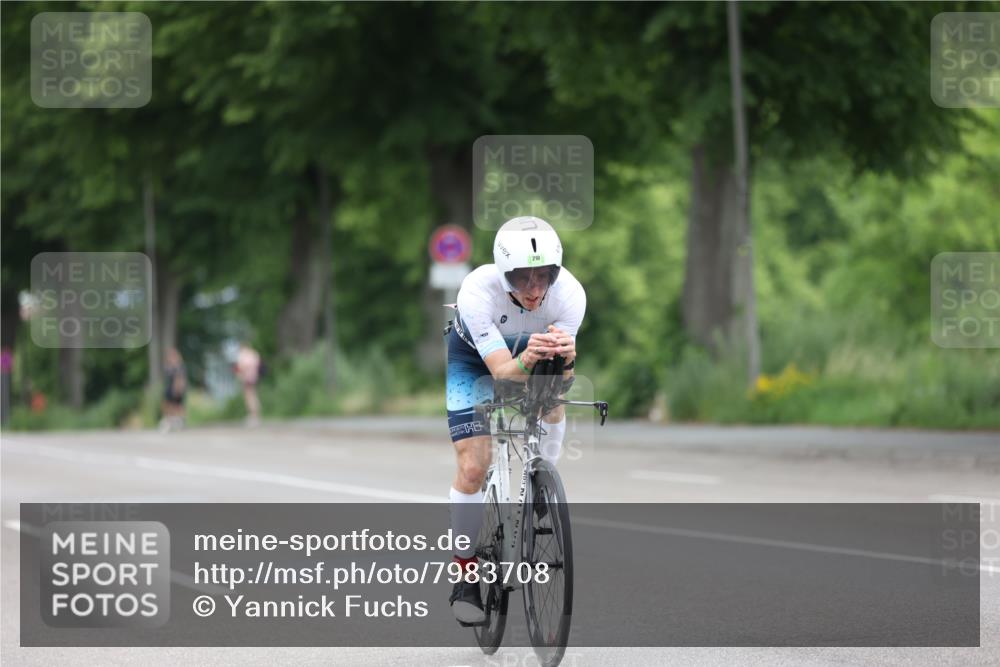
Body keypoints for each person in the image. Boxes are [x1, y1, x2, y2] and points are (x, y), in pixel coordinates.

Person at [444, 216, 585, 624]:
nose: (535, 288)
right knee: (473, 465)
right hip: (475, 363)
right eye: (523, 278)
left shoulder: (571, 295)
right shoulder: (476, 290)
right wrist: (529, 358)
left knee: (552, 398)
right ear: (505, 274)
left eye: (544, 276)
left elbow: (564, 379)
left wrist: (567, 360)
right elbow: (502, 373)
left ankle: (544, 479)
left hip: (528, 355)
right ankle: (466, 572)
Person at [234, 342, 262, 426]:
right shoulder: (254, 354)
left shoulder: (244, 355)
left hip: (247, 378)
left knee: (249, 397)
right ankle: (255, 415)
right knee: (253, 395)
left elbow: (241, 366)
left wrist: (240, 372)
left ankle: (253, 416)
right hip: (253, 377)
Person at [160, 348, 187, 432]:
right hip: (169, 388)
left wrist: (179, 389)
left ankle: (180, 422)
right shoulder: (168, 367)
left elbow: (181, 379)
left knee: (178, 406)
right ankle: (169, 422)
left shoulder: (180, 367)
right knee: (168, 406)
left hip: (177, 389)